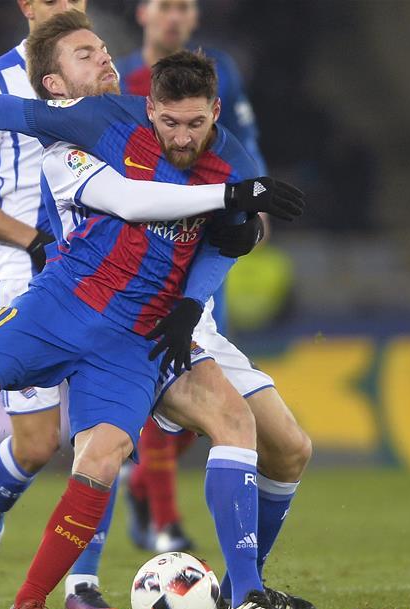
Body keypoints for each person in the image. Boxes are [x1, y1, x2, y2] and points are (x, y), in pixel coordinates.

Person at [0, 12, 305, 609]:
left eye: (103, 49)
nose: (180, 134)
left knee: (119, 451)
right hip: (63, 299)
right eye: (86, 53)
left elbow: (222, 242)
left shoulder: (194, 145)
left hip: (145, 325)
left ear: (215, 112)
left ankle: (44, 601)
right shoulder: (81, 130)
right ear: (56, 82)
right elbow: (122, 195)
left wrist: (199, 292)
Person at [0, 0, 124, 609]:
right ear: (27, 5)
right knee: (39, 444)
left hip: (102, 267)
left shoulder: (102, 72)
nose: (67, 5)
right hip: (26, 271)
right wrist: (32, 240)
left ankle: (83, 582)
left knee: (106, 431)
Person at [115, 0, 272, 554]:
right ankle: (165, 522)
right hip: (148, 256)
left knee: (201, 406)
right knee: (163, 385)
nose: (175, 17)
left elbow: (244, 147)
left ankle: (142, 484)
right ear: (143, 14)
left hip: (204, 249)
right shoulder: (120, 78)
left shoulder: (221, 70)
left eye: (184, 6)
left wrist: (256, 209)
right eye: (165, 6)